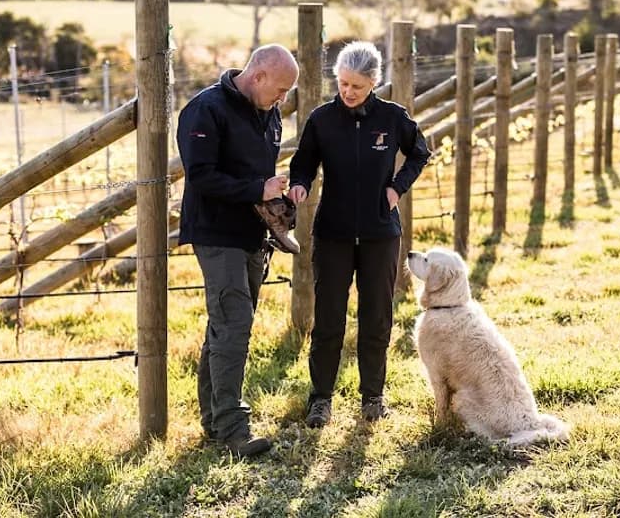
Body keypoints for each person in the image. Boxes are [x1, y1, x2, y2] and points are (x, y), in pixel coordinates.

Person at [288, 41, 430, 428]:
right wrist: (299, 184)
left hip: (380, 234)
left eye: (357, 86)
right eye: (343, 83)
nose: (348, 92)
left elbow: (420, 153)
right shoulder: (321, 119)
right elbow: (303, 164)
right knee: (329, 319)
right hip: (332, 232)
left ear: (373, 83)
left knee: (377, 317)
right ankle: (321, 399)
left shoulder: (392, 117)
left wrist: (397, 187)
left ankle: (373, 396)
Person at [177, 44, 299, 457]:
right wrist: (255, 189)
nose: (283, 99)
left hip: (251, 234)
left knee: (226, 326)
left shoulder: (270, 114)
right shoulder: (204, 110)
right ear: (259, 75)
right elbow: (200, 175)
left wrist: (279, 203)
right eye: (280, 89)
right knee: (233, 324)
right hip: (215, 231)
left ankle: (214, 422)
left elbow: (259, 176)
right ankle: (233, 431)